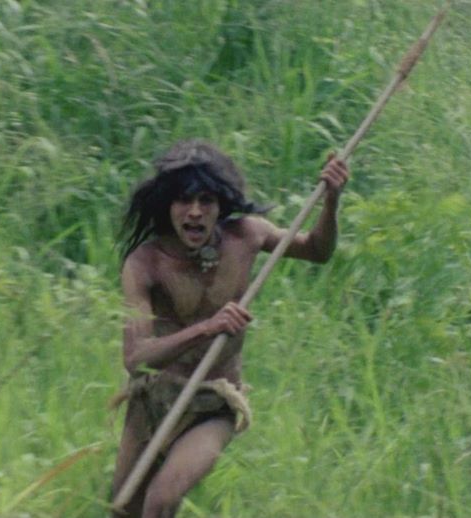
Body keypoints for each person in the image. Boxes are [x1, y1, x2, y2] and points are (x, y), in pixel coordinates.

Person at [111, 140, 349, 517]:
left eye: (206, 201)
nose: (194, 212)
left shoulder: (247, 235)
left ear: (221, 205)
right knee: (124, 510)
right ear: (168, 205)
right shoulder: (146, 264)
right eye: (183, 200)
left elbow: (317, 251)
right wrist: (207, 328)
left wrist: (332, 200)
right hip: (153, 403)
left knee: (161, 501)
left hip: (213, 404)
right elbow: (136, 357)